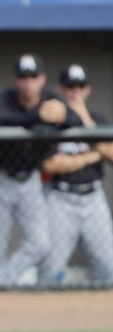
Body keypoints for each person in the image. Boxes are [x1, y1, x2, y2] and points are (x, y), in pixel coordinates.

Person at [0, 53, 82, 287]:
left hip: (30, 179)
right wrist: (37, 116)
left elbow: (77, 122)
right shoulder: (3, 98)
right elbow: (0, 119)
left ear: (42, 79)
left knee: (40, 243)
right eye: (23, 77)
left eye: (33, 76)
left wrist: (63, 115)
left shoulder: (52, 97)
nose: (28, 82)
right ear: (16, 80)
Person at [38, 64, 113, 287]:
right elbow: (51, 164)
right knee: (51, 268)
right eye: (70, 87)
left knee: (109, 266)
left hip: (93, 199)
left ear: (87, 90)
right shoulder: (52, 125)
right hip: (61, 200)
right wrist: (91, 156)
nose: (75, 92)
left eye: (80, 87)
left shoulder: (97, 120)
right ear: (61, 89)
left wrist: (85, 122)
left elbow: (111, 154)